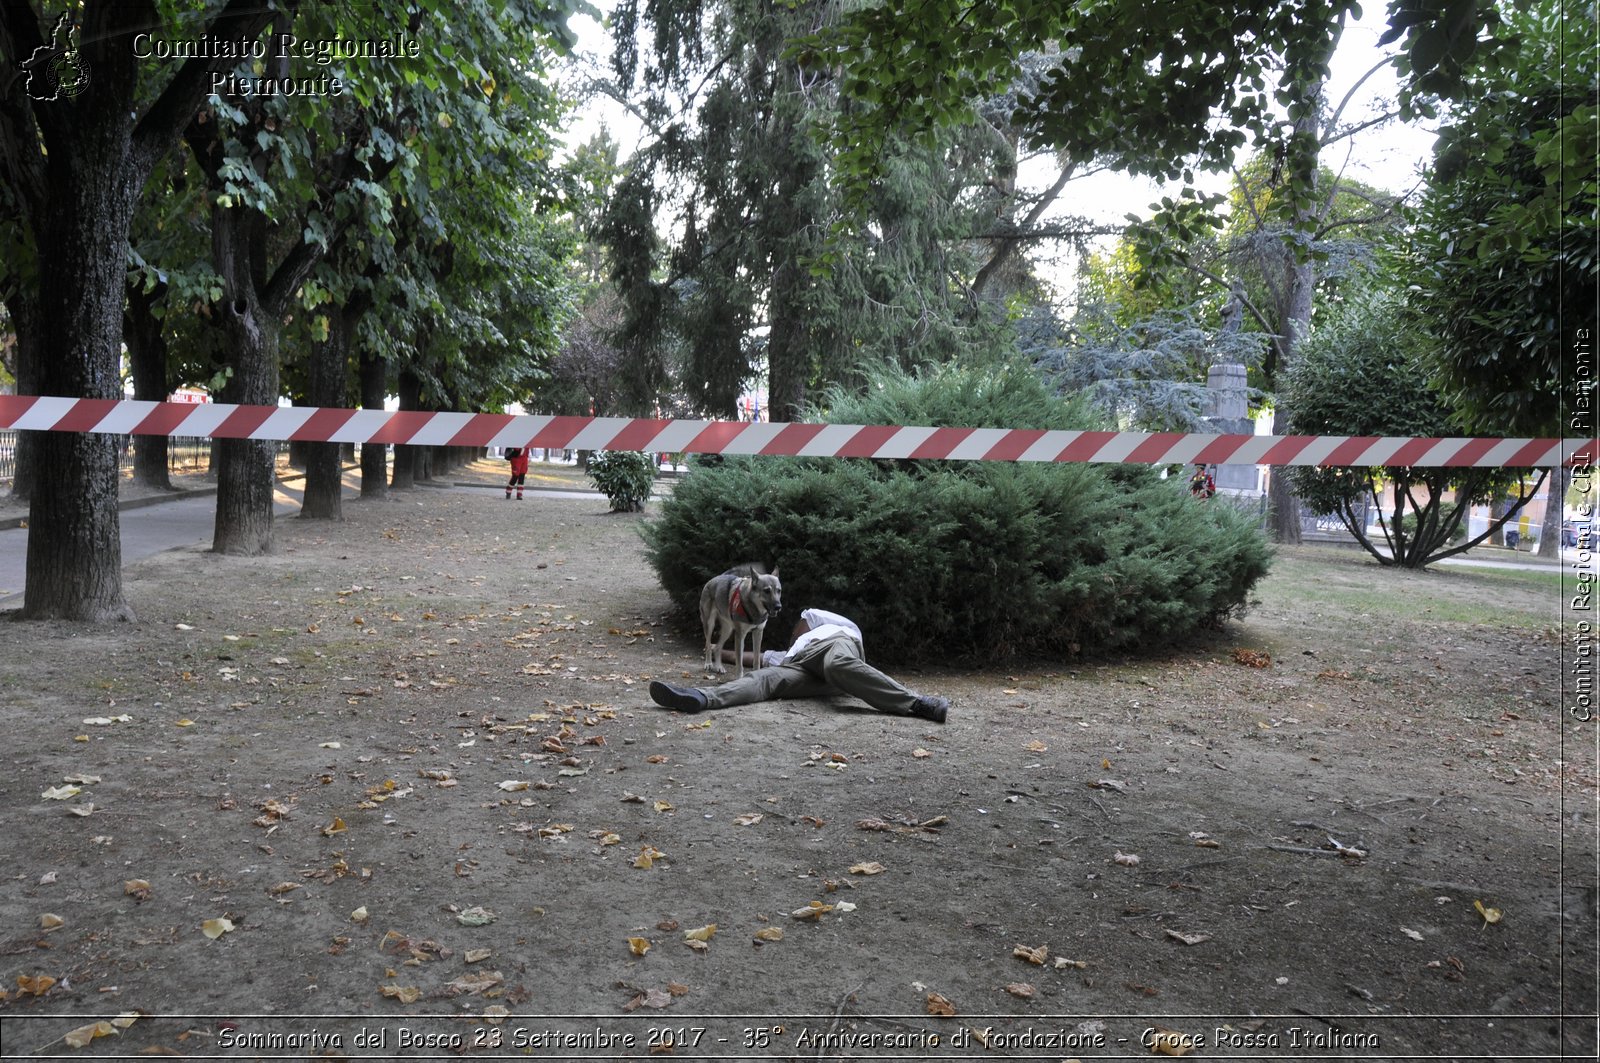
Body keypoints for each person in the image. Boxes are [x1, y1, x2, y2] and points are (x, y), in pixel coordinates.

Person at [649, 608, 949, 723]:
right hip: (803, 667)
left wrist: (799, 634)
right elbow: (756, 658)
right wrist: (718, 650)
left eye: (795, 632)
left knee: (837, 664)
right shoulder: (788, 651)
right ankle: (701, 697)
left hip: (835, 648)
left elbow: (809, 618)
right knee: (764, 679)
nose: (794, 634)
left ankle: (918, 704)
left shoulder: (821, 623)